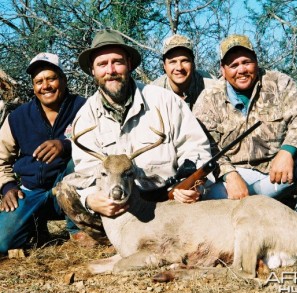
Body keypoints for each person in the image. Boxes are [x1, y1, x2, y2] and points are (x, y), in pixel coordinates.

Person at [63, 28, 213, 221]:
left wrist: (191, 184)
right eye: (102, 64)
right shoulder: (85, 117)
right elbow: (86, 171)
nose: (110, 71)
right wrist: (92, 199)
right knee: (65, 191)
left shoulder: (165, 101)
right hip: (116, 207)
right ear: (93, 70)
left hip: (169, 203)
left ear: (129, 64)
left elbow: (195, 147)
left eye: (117, 62)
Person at [0, 52, 97, 254]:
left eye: (51, 78)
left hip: (73, 190)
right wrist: (8, 186)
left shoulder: (86, 107)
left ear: (63, 79)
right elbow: (1, 158)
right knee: (4, 241)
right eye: (39, 81)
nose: (46, 86)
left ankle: (77, 228)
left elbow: (102, 144)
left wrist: (66, 146)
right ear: (34, 87)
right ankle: (34, 226)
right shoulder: (18, 117)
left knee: (75, 164)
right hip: (31, 189)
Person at [193, 34, 297, 205]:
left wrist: (288, 150)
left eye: (246, 62)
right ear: (223, 69)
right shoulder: (208, 99)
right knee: (200, 196)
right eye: (233, 65)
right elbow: (205, 145)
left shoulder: (280, 83)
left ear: (256, 61)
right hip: (235, 176)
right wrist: (229, 174)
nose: (241, 70)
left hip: (280, 171)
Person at [152, 34, 216, 109]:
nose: (179, 67)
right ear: (164, 66)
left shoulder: (212, 87)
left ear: (193, 64)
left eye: (185, 61)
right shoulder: (154, 93)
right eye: (173, 62)